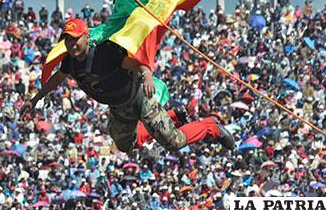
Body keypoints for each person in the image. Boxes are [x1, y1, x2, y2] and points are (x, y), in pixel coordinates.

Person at [21, 18, 235, 154]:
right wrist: (35, 99)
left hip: (139, 97)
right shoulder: (70, 61)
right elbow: (58, 78)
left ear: (86, 37)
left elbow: (136, 63)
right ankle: (173, 116)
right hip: (118, 106)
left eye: (75, 39)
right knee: (125, 146)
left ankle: (211, 127)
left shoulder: (104, 53)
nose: (71, 45)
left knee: (174, 142)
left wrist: (147, 75)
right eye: (67, 41)